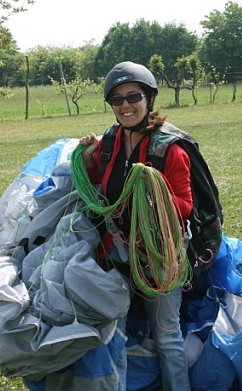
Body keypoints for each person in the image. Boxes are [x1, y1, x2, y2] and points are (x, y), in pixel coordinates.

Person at [79, 61, 192, 391]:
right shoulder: (110, 141)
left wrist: (152, 192)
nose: (125, 105)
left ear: (149, 99)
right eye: (117, 100)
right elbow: (100, 185)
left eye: (133, 97)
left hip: (159, 254)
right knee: (113, 331)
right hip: (116, 252)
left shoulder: (169, 148)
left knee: (166, 334)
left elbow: (186, 206)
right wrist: (87, 158)